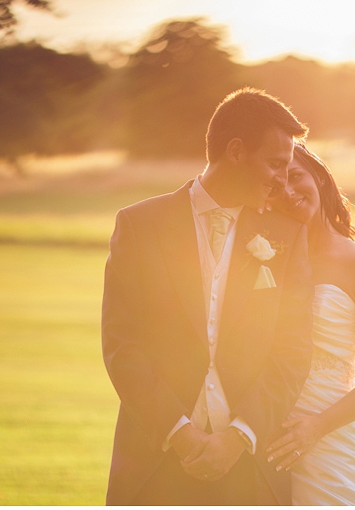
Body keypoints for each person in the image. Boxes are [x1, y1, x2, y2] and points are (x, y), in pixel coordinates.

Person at [101, 88, 314, 505]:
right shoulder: (139, 225)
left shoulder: (285, 236)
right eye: (274, 164)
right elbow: (122, 345)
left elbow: (293, 351)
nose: (280, 179)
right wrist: (180, 435)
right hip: (154, 465)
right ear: (235, 152)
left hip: (253, 470)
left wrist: (237, 438)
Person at [264, 144, 355, 505]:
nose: (289, 192)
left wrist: (317, 427)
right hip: (265, 427)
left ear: (321, 179)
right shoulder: (264, 256)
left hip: (332, 430)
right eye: (276, 187)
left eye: (295, 177)